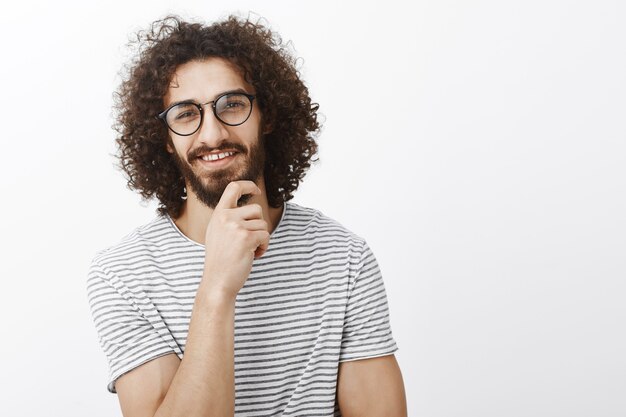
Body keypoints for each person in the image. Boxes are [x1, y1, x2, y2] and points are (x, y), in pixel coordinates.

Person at [86, 14, 407, 417]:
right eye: (186, 114)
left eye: (232, 105)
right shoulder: (122, 275)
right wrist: (217, 288)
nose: (212, 134)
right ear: (165, 140)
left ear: (267, 116)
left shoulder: (343, 258)